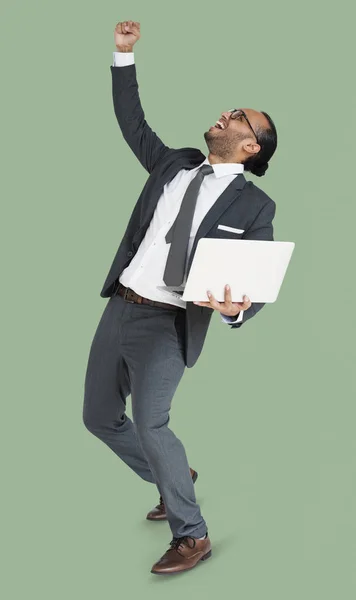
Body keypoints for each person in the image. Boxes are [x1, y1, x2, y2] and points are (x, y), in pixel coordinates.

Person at [83, 20, 278, 575]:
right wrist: (123, 57)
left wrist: (239, 308)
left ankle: (192, 534)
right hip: (120, 304)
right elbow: (132, 124)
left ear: (249, 145)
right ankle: (172, 476)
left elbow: (256, 277)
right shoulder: (175, 163)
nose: (228, 113)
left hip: (170, 324)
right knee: (98, 418)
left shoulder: (254, 206)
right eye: (232, 108)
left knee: (151, 422)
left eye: (240, 118)